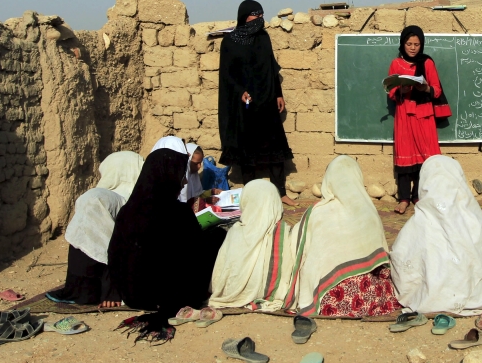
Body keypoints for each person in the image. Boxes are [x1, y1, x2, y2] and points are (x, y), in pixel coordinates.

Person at [107, 141, 212, 340]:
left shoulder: (127, 211)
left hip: (131, 293)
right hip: (170, 296)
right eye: (182, 175)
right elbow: (194, 259)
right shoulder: (179, 214)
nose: (185, 182)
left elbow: (116, 256)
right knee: (214, 239)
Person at [281, 156, 401, 318]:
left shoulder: (319, 212)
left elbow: (300, 245)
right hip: (375, 298)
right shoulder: (369, 210)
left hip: (332, 299)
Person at [390, 155, 482, 314]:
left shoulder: (417, 223)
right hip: (471, 294)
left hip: (423, 299)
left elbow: (401, 261)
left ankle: (434, 297)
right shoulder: (472, 220)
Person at [218, 0, 295, 206]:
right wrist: (240, 91)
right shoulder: (230, 41)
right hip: (245, 104)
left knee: (275, 147)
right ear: (244, 17)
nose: (259, 19)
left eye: (261, 15)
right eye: (255, 15)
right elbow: (227, 74)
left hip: (267, 99)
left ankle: (281, 192)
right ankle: (251, 194)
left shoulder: (263, 37)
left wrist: (278, 93)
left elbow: (271, 67)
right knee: (247, 150)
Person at [48, 151, 144, 307]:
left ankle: (83, 291)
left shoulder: (99, 196)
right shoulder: (128, 200)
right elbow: (115, 247)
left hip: (85, 274)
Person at [387, 25, 448, 214]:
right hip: (404, 113)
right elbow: (391, 91)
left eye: (416, 44)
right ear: (402, 44)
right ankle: (404, 199)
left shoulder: (427, 63)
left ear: (421, 45)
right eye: (409, 44)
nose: (412, 47)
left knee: (424, 156)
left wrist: (425, 88)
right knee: (405, 155)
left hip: (423, 114)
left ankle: (419, 196)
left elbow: (437, 89)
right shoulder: (396, 64)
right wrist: (401, 90)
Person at [207, 180, 292, 310]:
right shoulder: (284, 232)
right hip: (273, 292)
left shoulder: (235, 232)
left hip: (232, 290)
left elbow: (221, 273)